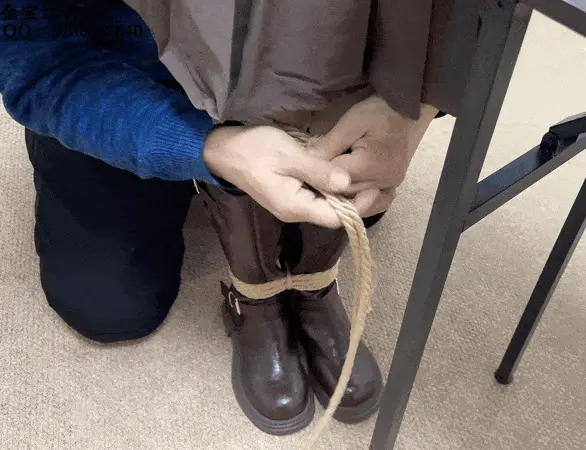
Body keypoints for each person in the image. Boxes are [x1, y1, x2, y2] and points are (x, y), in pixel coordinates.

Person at [0, 0, 439, 435]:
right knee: (109, 306)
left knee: (357, 196)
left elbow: (456, 29)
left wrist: (411, 110)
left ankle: (310, 285)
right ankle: (253, 292)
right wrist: (204, 147)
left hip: (314, 81)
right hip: (120, 74)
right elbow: (40, 70)